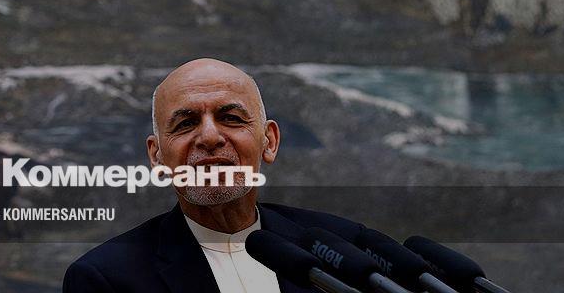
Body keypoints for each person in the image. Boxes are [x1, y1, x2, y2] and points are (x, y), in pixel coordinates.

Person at [63, 58, 364, 293]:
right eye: (185, 124)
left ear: (269, 142)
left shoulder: (345, 250)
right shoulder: (105, 278)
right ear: (157, 157)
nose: (209, 137)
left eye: (231, 118)